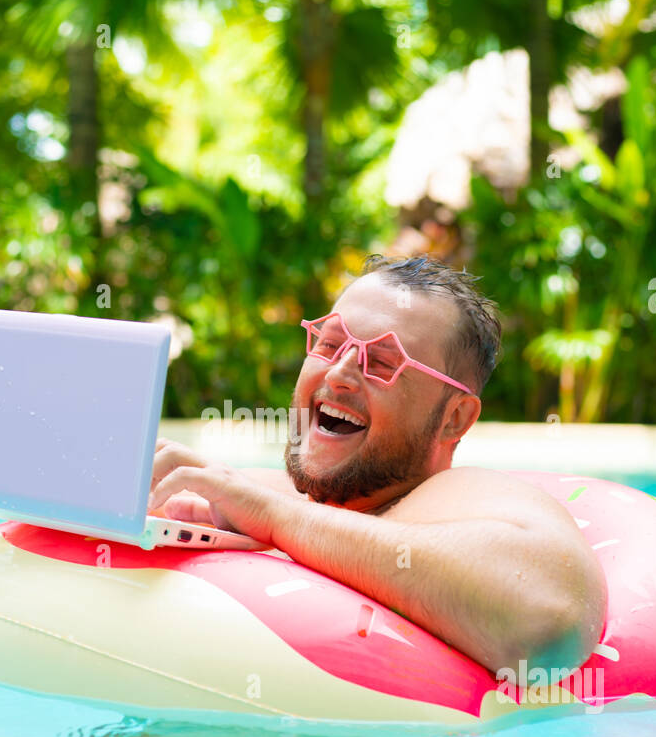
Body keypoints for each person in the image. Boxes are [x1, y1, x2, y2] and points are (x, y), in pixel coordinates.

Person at [149, 254, 606, 678]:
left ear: (454, 418)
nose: (339, 374)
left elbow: (551, 618)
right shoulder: (256, 494)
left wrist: (276, 519)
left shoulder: (454, 498)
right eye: (329, 344)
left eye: (383, 363)